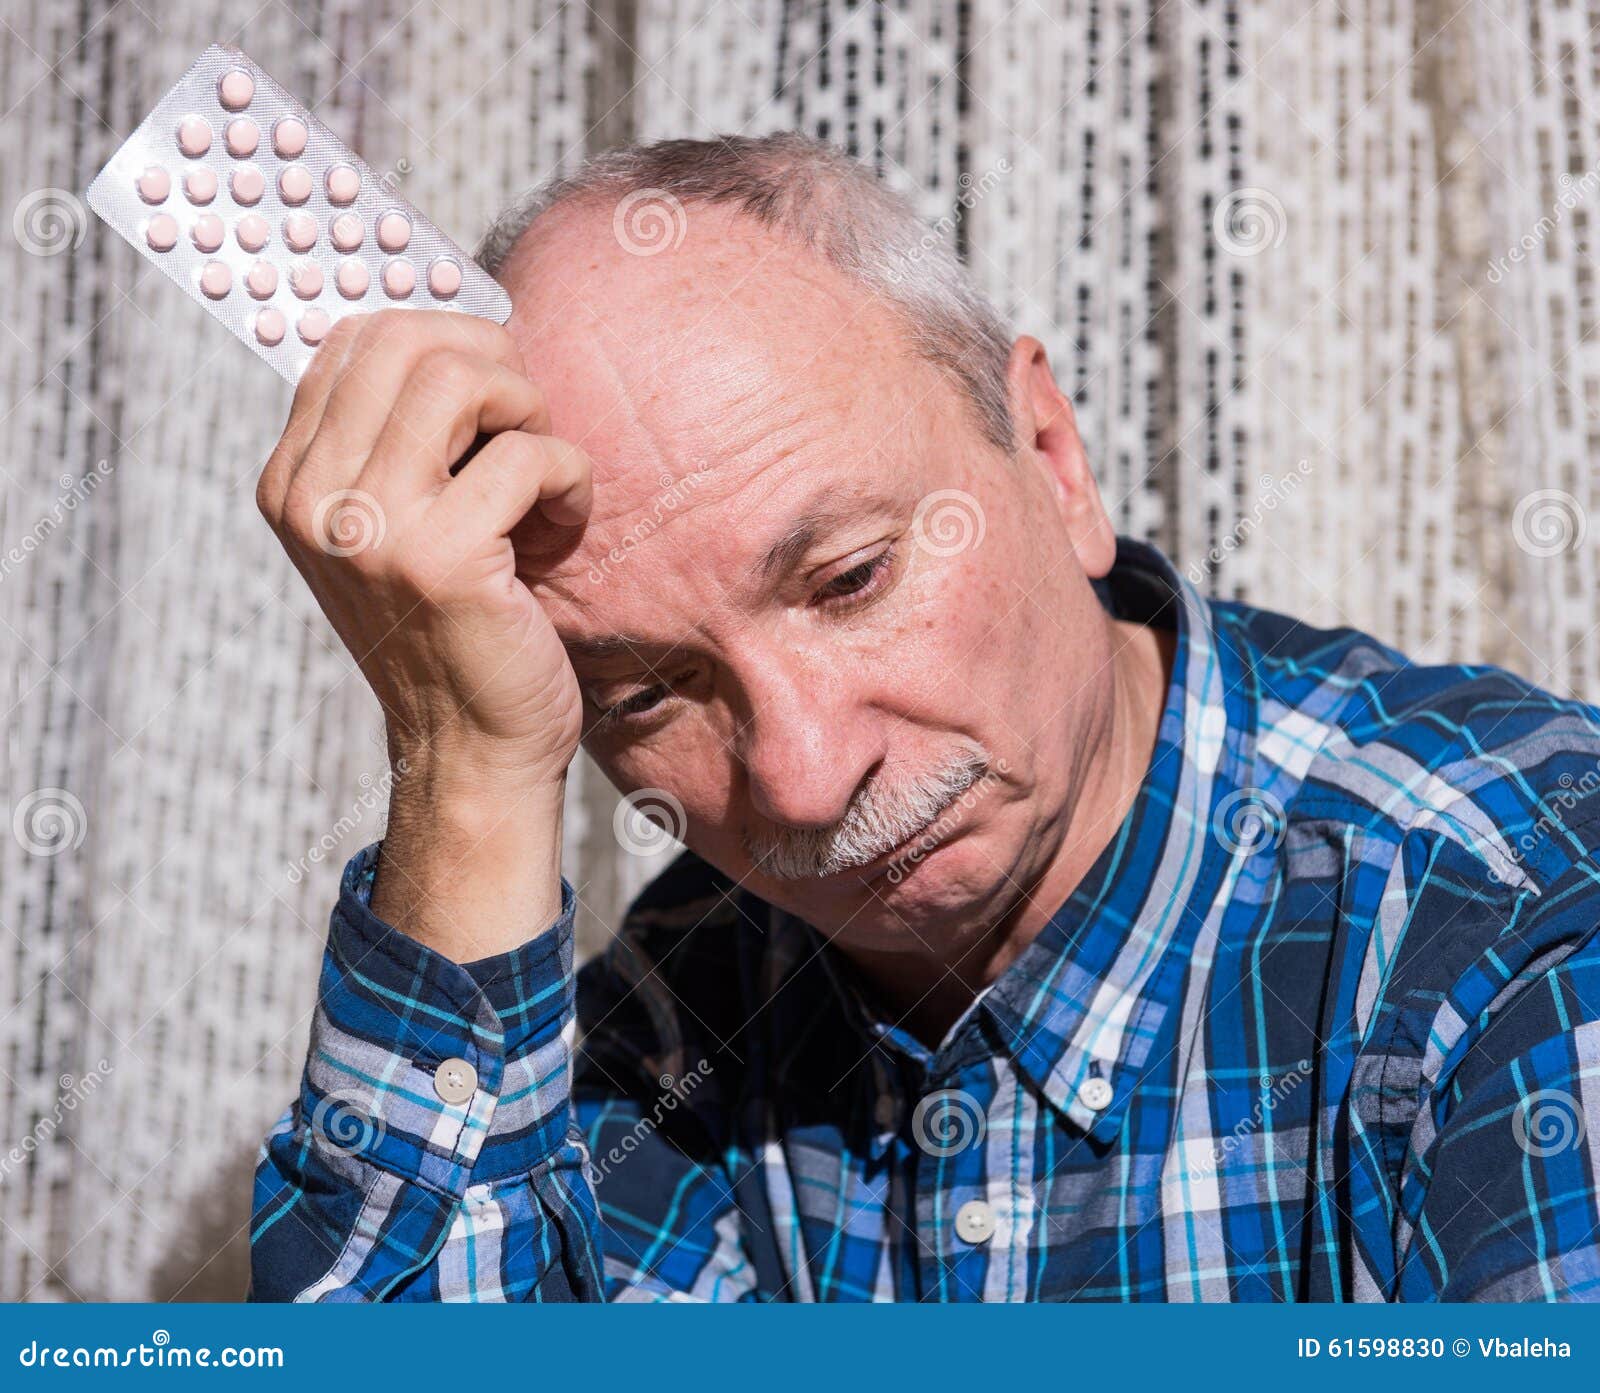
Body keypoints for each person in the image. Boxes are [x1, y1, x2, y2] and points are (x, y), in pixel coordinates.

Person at [249, 134, 1600, 1302]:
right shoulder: (674, 1025)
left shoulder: (1508, 933)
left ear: (1053, 458)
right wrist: (469, 764)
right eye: (646, 693)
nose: (805, 773)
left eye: (849, 580)